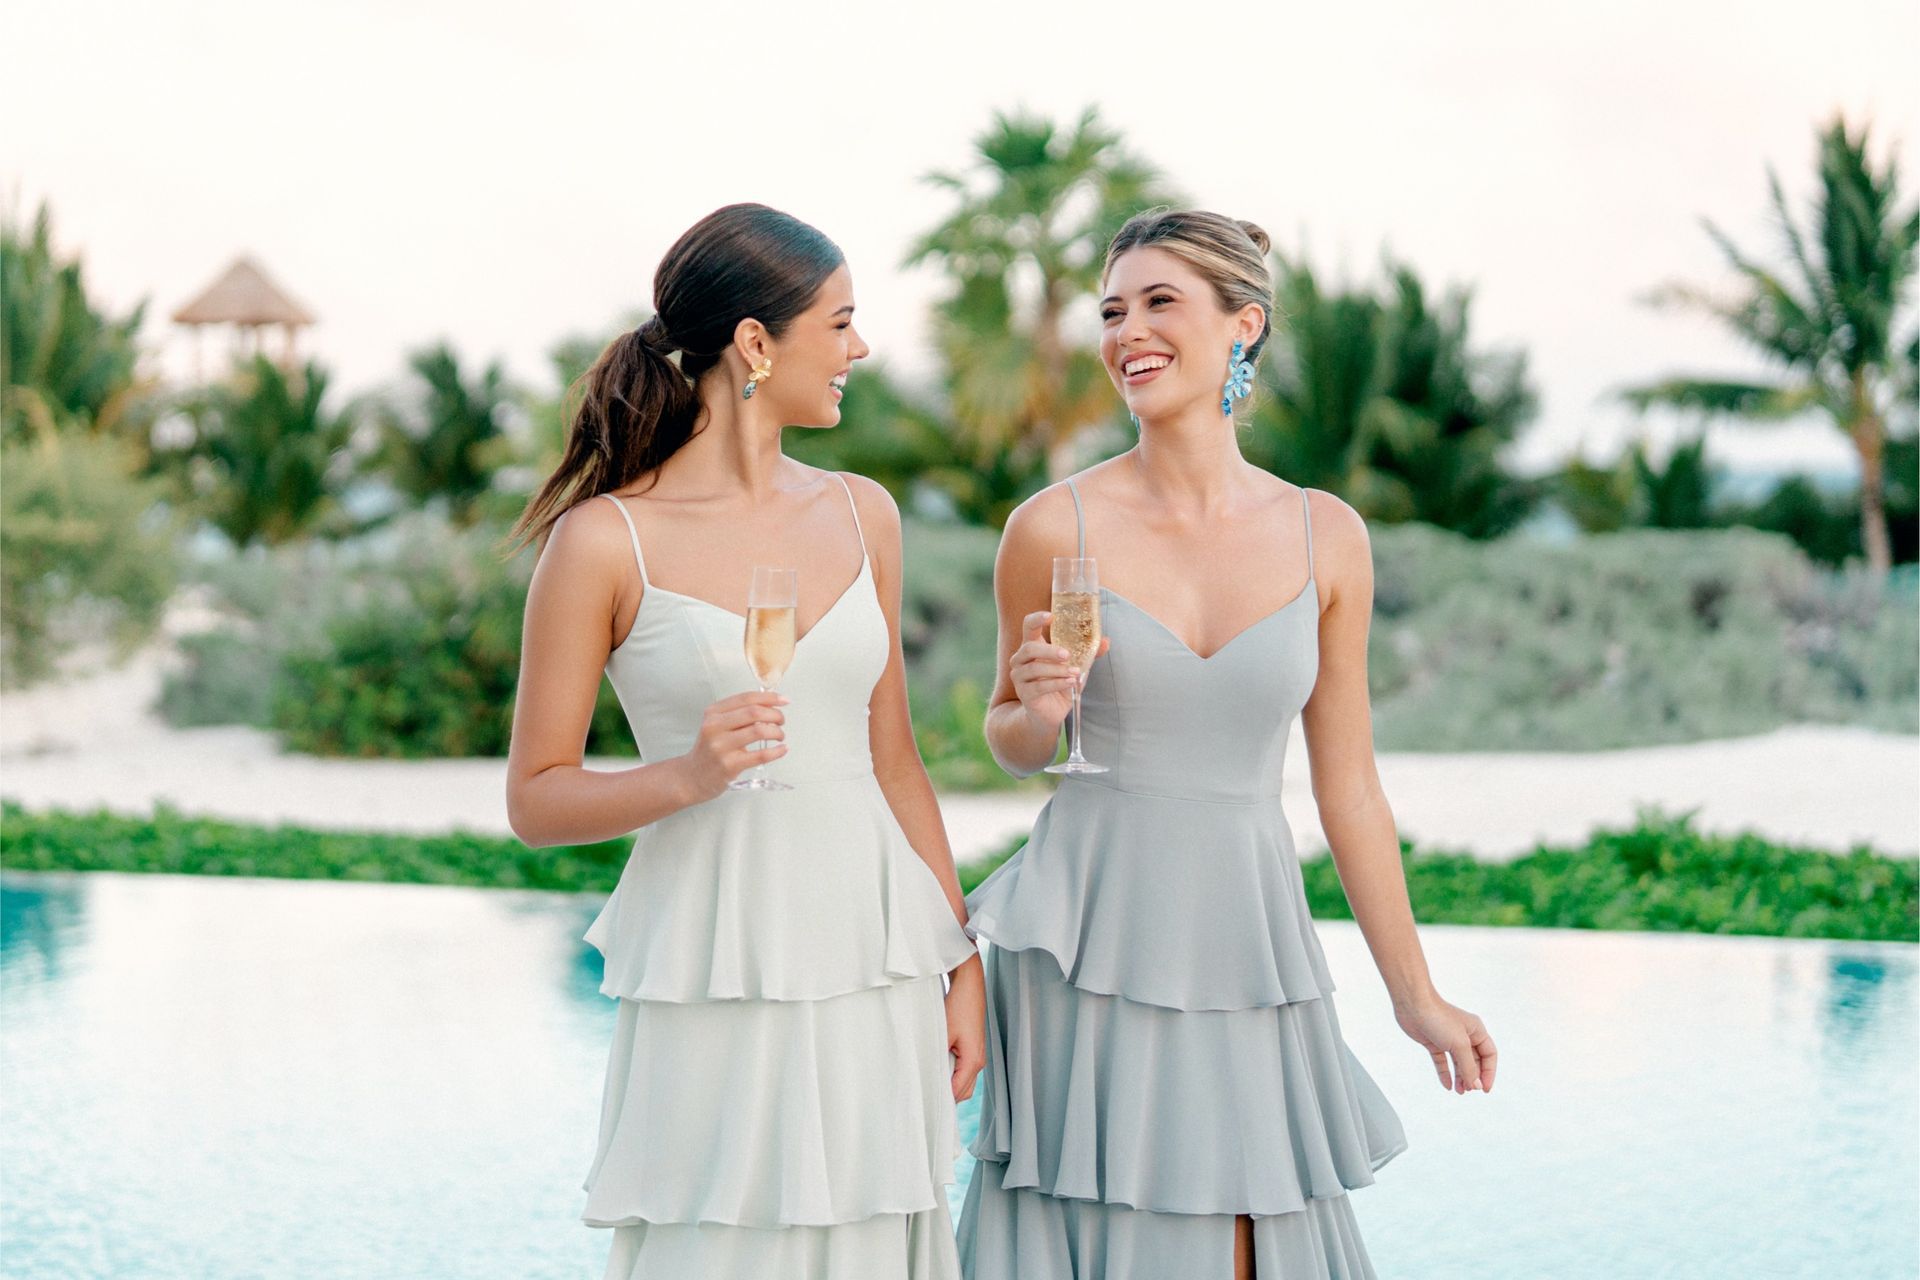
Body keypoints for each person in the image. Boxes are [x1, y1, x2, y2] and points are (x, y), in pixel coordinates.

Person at [956, 208, 1497, 1279]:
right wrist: (1030, 699)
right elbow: (1017, 742)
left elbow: (1349, 791)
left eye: (1161, 303)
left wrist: (1414, 992)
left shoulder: (1324, 533)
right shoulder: (1049, 526)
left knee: (1250, 1239)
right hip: (1087, 941)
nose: (1127, 333)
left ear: (1241, 325)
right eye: (1114, 310)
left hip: (1251, 939)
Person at [504, 202, 984, 1280]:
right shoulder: (603, 540)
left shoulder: (867, 512)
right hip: (713, 958)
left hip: (871, 954)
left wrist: (958, 961)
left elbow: (894, 760)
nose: (860, 349)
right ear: (757, 343)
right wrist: (686, 772)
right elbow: (535, 799)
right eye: (842, 321)